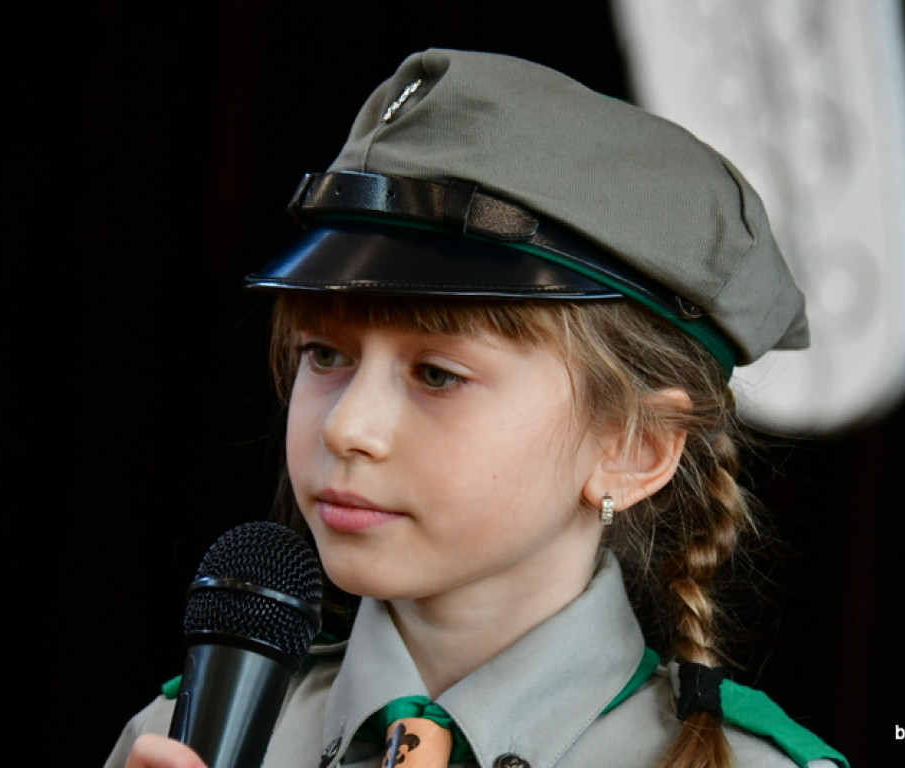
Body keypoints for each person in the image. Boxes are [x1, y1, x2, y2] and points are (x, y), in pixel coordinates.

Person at [106, 49, 848, 768]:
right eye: (324, 355)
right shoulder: (178, 741)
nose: (346, 427)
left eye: (437, 374)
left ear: (635, 446)